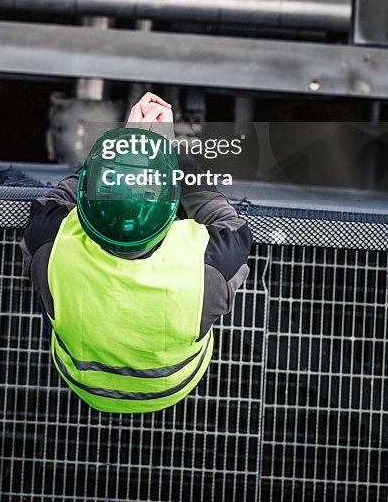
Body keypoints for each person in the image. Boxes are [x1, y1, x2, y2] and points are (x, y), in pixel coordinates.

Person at [19, 91, 252, 413]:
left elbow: (65, 196)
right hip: (172, 385)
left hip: (80, 379)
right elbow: (223, 217)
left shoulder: (51, 243)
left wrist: (126, 148)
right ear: (170, 211)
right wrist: (165, 152)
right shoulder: (206, 268)